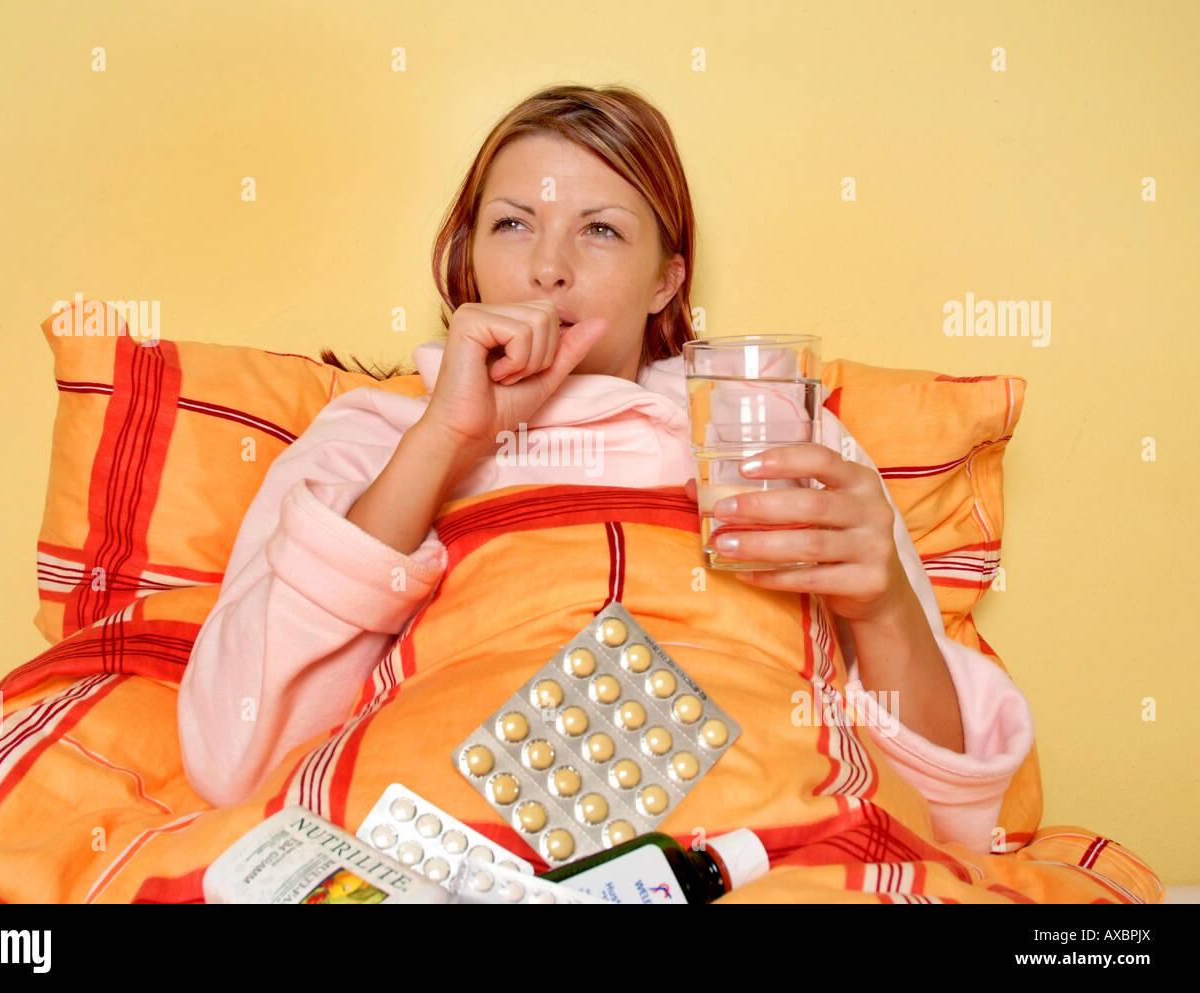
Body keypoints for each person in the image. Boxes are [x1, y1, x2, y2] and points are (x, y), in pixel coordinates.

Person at [177, 85, 1033, 858]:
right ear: (467, 257)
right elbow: (232, 756)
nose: (549, 267)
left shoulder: (768, 430)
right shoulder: (376, 436)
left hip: (757, 845)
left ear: (668, 281)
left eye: (601, 229)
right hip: (451, 852)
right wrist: (443, 443)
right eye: (513, 223)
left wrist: (881, 603)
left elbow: (956, 819)